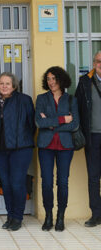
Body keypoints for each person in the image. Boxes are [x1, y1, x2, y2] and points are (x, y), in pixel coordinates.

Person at [0, 72, 35, 231]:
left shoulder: (24, 100)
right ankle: (10, 215)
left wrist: (22, 140)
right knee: (6, 184)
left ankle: (18, 217)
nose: (4, 86)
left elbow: (31, 125)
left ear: (14, 85)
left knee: (17, 183)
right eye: (1, 83)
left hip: (20, 149)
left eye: (7, 83)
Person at [36, 66, 78, 232]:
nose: (51, 82)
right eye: (48, 79)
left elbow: (74, 124)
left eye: (54, 78)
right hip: (45, 146)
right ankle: (48, 216)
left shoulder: (71, 100)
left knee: (62, 182)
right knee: (46, 182)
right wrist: (62, 119)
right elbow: (39, 123)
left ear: (61, 80)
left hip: (65, 146)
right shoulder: (41, 99)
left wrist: (52, 124)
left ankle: (61, 217)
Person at [75, 51, 101, 227]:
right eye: (98, 61)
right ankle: (96, 214)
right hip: (92, 136)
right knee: (93, 177)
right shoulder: (85, 82)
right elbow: (77, 107)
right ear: (93, 63)